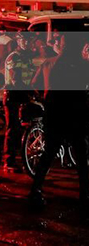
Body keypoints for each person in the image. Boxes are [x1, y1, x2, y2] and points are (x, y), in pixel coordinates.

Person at [29, 32, 89, 208]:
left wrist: (45, 98)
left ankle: (36, 190)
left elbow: (34, 83)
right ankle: (84, 195)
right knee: (81, 155)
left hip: (54, 113)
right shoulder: (82, 65)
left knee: (48, 153)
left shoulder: (49, 63)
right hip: (75, 114)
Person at [3, 32, 36, 171]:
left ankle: (23, 155)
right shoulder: (14, 57)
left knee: (26, 127)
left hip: (23, 94)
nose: (28, 43)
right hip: (13, 95)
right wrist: (30, 92)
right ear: (18, 41)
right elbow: (16, 79)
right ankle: (8, 161)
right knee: (13, 128)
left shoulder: (27, 58)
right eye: (25, 40)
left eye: (29, 41)